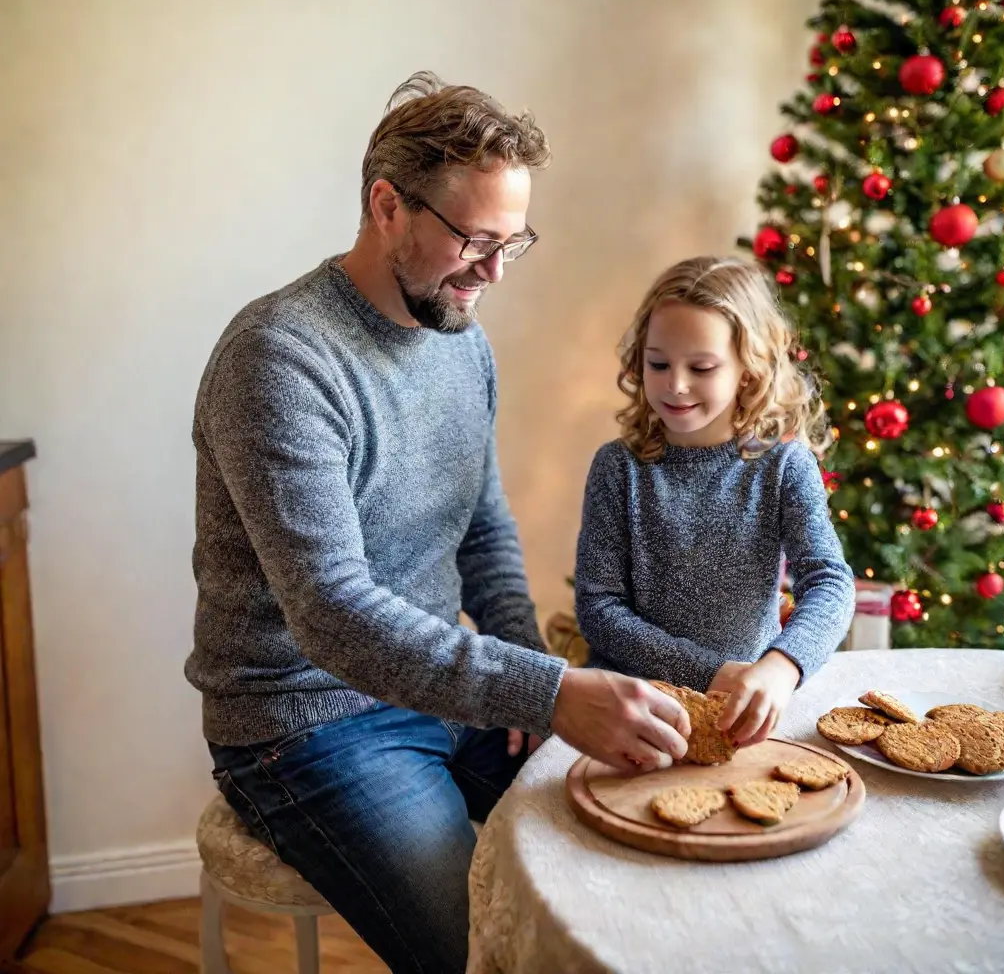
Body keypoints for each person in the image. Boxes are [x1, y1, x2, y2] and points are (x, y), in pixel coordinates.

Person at [185, 72, 691, 974]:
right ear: (388, 206)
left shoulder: (462, 339)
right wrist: (543, 691)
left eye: (514, 244)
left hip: (441, 689)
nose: (494, 275)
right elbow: (331, 612)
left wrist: (526, 675)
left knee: (630, 866)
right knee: (491, 952)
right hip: (303, 721)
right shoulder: (278, 360)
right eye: (474, 242)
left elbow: (483, 527)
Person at [574, 256, 855, 749]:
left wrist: (782, 666)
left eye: (701, 367)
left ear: (749, 371)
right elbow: (599, 608)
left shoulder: (783, 465)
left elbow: (830, 582)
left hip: (743, 712)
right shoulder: (618, 468)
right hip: (634, 706)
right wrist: (712, 672)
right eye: (658, 363)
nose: (674, 384)